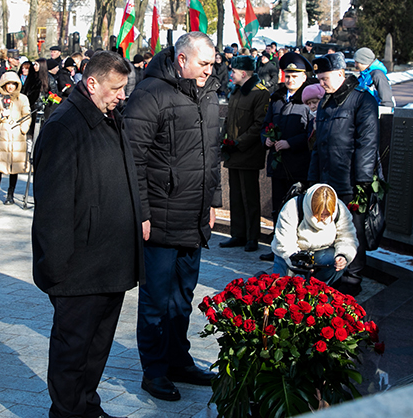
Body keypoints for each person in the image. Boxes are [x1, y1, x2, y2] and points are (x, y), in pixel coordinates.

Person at [32, 51, 144, 418]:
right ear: (91, 83)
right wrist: (56, 268)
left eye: (125, 88)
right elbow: (53, 207)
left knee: (97, 347)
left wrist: (139, 217)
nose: (122, 95)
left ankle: (87, 405)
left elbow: (128, 174)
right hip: (78, 265)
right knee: (72, 350)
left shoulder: (110, 116)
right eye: (116, 88)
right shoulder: (64, 125)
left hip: (111, 258)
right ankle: (67, 412)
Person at [125, 31, 221, 402]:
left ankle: (178, 360)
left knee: (183, 296)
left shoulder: (208, 92)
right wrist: (142, 213)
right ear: (182, 60)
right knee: (156, 299)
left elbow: (211, 153)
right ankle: (155, 370)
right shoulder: (151, 93)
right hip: (160, 218)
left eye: (212, 63)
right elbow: (133, 159)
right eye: (203, 63)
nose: (209, 69)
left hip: (194, 215)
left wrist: (213, 200)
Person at [308, 52, 379, 295]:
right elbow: (319, 145)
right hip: (327, 180)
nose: (321, 84)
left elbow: (367, 143)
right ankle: (335, 271)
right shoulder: (326, 103)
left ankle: (353, 276)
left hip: (349, 180)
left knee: (353, 229)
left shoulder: (362, 101)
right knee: (331, 229)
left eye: (325, 78)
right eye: (319, 79)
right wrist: (313, 179)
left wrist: (363, 181)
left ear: (341, 74)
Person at [258, 52, 315, 264]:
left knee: (295, 207)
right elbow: (265, 125)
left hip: (298, 163)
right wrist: (265, 139)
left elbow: (311, 132)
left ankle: (295, 249)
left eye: (294, 76)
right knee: (278, 207)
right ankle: (277, 247)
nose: (289, 80)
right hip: (277, 163)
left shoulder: (309, 100)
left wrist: (291, 143)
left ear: (303, 78)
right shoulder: (277, 98)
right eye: (287, 76)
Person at [219, 55, 268, 253]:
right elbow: (230, 120)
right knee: (236, 196)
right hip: (233, 152)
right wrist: (226, 140)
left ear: (244, 73)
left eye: (234, 71)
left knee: (250, 197)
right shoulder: (237, 92)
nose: (231, 75)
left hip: (248, 152)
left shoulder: (260, 93)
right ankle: (237, 234)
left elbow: (259, 125)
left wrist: (239, 142)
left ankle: (252, 236)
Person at [271, 184, 358, 284]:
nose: (323, 218)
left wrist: (343, 256)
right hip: (291, 255)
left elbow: (347, 238)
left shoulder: (340, 208)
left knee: (335, 262)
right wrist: (301, 265)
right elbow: (285, 243)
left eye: (327, 214)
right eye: (320, 214)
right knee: (281, 287)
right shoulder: (292, 206)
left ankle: (319, 287)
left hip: (321, 253)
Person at [0, 71, 30, 205]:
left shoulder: (22, 99)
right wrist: (1, 115)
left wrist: (22, 129)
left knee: (14, 167)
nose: (11, 87)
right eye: (8, 84)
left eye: (13, 84)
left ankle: (10, 195)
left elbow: (27, 115)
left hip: (17, 137)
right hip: (2, 137)